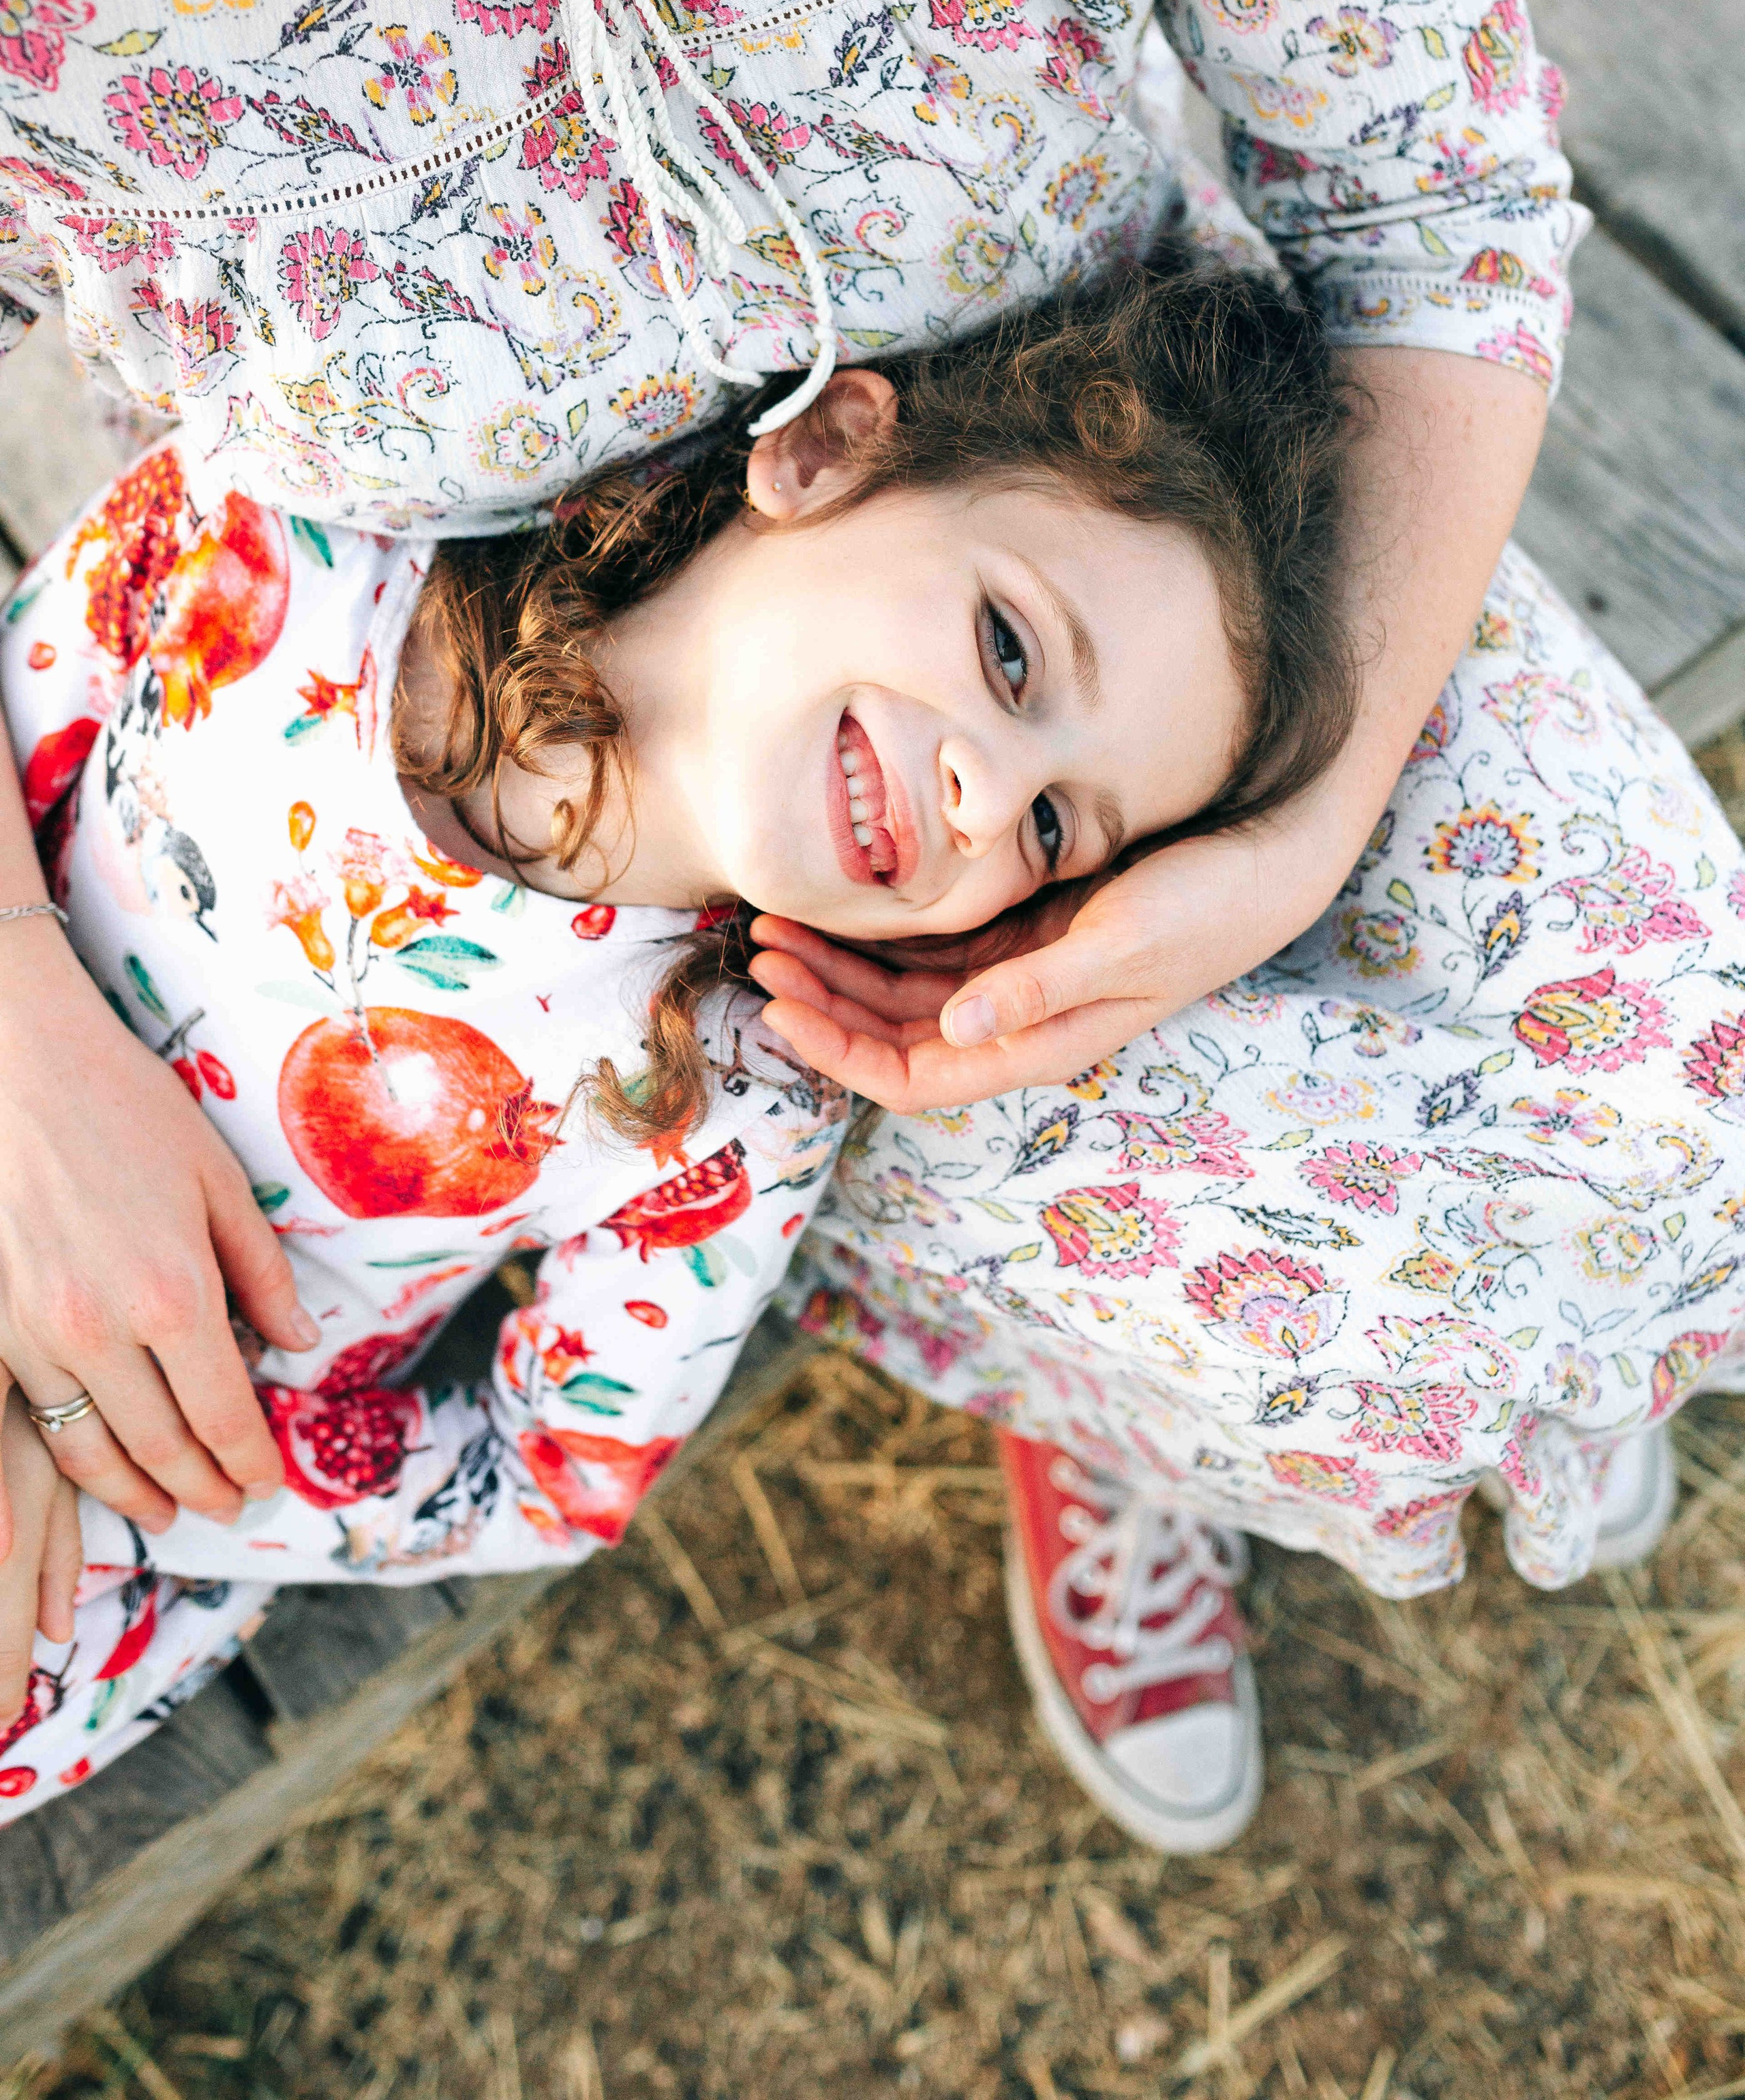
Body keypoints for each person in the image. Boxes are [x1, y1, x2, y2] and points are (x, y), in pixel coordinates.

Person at [0, 0, 1734, 1852]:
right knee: (1310, 1260)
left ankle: (1129, 1363)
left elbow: (1428, 187)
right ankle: (1109, 1345)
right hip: (433, 666)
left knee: (1642, 1120)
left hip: (1118, 498)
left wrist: (1275, 824)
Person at [0, 260, 1359, 1815]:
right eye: (1006, 650)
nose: (987, 794)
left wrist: (130, 1480)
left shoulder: (731, 1099)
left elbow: (555, 1469)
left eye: (1054, 826)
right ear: (827, 450)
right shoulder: (300, 540)